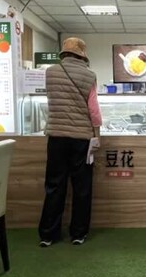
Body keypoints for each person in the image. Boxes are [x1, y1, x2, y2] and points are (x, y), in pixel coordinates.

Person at [38, 37, 102, 247]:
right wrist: (97, 134)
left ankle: (48, 235)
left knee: (54, 185)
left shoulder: (50, 72)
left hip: (56, 136)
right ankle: (78, 233)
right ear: (82, 55)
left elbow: (51, 100)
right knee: (81, 187)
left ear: (64, 53)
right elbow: (93, 109)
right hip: (81, 139)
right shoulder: (89, 75)